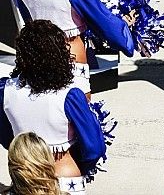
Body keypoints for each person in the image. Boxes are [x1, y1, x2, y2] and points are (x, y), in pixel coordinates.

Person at [0, 21, 106, 195]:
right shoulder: (70, 96)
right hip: (66, 178)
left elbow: (7, 139)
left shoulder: (5, 90)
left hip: (25, 180)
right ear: (59, 54)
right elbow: (94, 148)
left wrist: (28, 157)